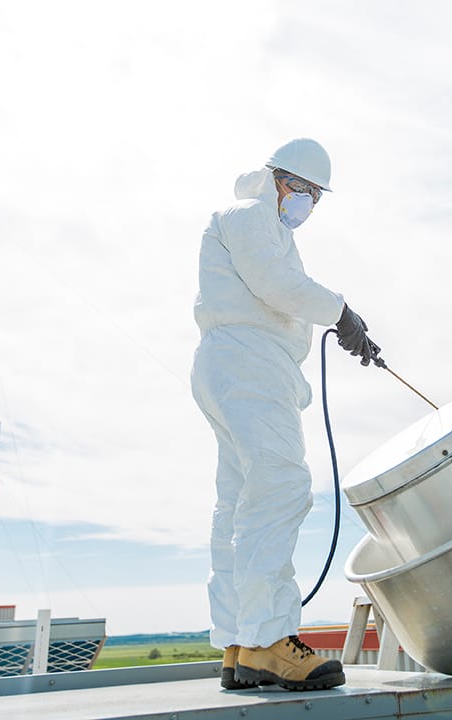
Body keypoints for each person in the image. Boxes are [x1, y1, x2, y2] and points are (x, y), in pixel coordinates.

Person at [190, 138, 378, 691]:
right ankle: (270, 639)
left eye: (315, 196)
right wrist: (342, 312)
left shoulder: (260, 225)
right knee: (281, 486)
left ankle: (240, 644)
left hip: (235, 362)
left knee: (239, 499)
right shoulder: (249, 216)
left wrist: (337, 320)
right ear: (275, 179)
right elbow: (278, 286)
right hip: (249, 360)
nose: (306, 203)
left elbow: (282, 287)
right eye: (301, 189)